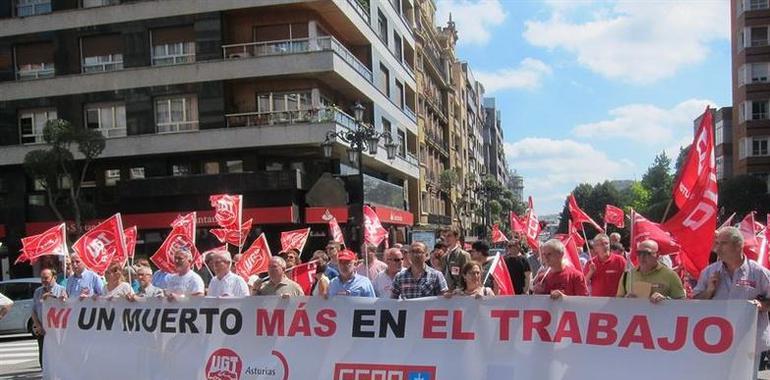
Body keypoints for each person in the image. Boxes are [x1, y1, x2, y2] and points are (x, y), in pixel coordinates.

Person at [694, 226, 770, 375]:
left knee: (744, 376)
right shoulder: (709, 272)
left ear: (738, 245)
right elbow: (695, 302)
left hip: (748, 340)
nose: (717, 248)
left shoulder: (759, 273)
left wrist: (761, 305)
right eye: (717, 243)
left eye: (723, 243)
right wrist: (709, 291)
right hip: (714, 340)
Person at [616, 240, 685, 302]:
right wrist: (625, 300)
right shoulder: (628, 274)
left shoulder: (670, 275)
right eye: (639, 253)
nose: (642, 257)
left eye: (647, 253)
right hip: (633, 315)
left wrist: (666, 300)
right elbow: (618, 300)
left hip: (660, 315)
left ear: (657, 255)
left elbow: (681, 302)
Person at [31, 268, 66, 368]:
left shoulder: (61, 290)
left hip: (57, 331)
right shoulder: (38, 292)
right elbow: (33, 311)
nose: (43, 280)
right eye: (42, 278)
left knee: (58, 357)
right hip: (42, 331)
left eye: (46, 278)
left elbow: (66, 307)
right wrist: (38, 326)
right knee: (43, 358)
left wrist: (58, 299)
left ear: (54, 277)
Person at [442, 227, 471, 291]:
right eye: (444, 236)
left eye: (449, 236)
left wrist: (460, 289)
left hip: (459, 294)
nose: (446, 238)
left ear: (456, 237)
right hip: (446, 294)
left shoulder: (463, 255)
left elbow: (467, 276)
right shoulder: (444, 256)